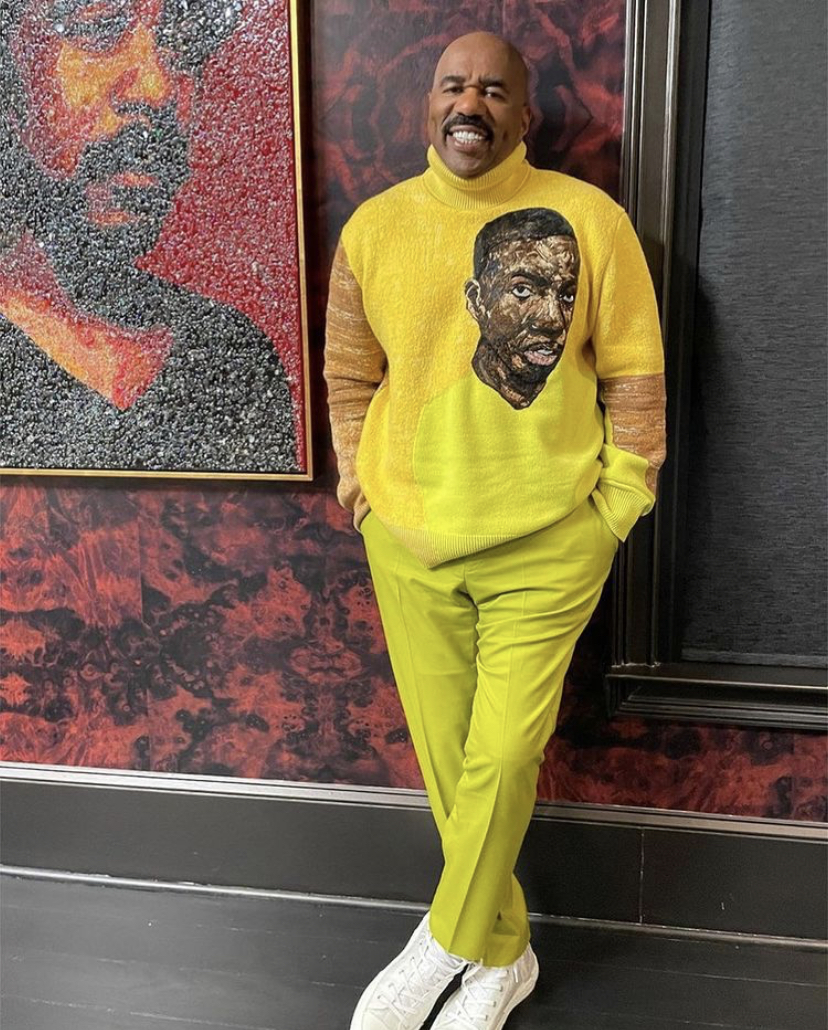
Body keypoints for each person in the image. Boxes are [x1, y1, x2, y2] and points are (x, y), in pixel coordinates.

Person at [325, 31, 666, 1030]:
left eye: (492, 89)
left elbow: (634, 372)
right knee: (450, 765)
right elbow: (348, 372)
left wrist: (617, 506)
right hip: (410, 539)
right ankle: (504, 953)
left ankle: (442, 944)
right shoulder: (376, 229)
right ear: (427, 105)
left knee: (505, 756)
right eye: (452, 85)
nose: (469, 103)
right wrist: (360, 486)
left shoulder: (589, 221)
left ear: (523, 114)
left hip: (551, 539)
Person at [0, 0, 297, 473]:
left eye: (182, 47)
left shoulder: (230, 355)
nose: (158, 88)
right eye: (98, 30)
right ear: (12, 77)